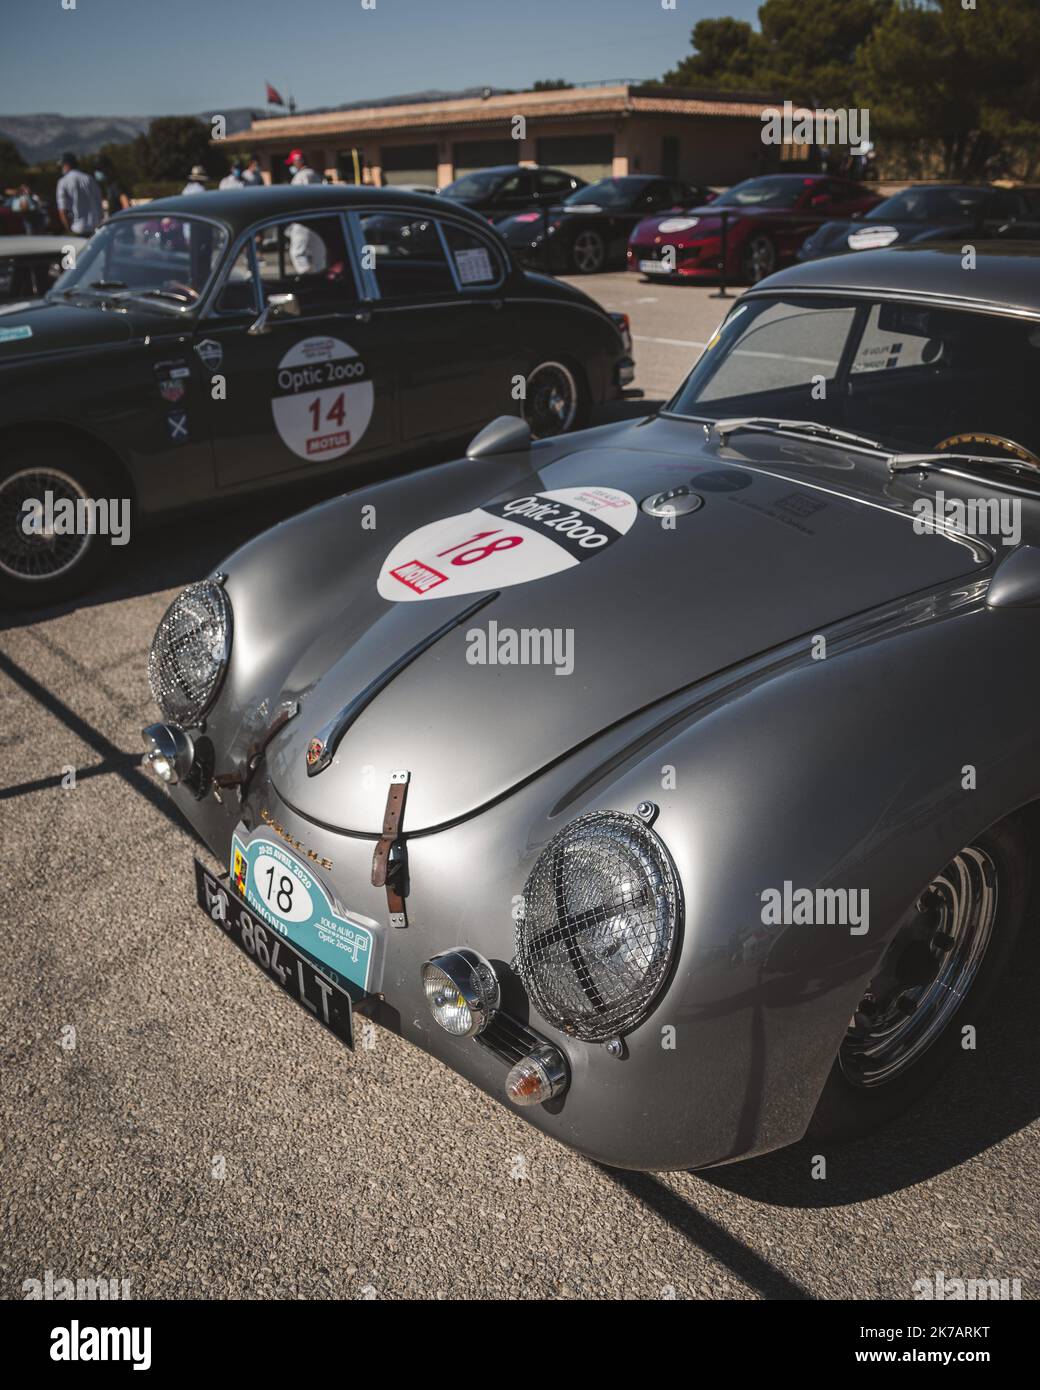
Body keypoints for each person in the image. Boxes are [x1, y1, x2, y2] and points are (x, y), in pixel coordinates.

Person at [284, 149, 325, 274]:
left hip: (303, 219)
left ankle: (306, 277)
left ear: (299, 161)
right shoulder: (314, 174)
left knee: (297, 252)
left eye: (293, 162)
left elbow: (298, 199)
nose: (292, 165)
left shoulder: (301, 176)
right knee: (318, 254)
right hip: (318, 219)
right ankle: (321, 279)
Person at [55, 152, 104, 234]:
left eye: (62, 166)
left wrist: (68, 230)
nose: (62, 168)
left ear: (67, 165)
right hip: (95, 227)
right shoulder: (89, 179)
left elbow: (62, 210)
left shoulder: (63, 181)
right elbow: (99, 201)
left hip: (77, 228)